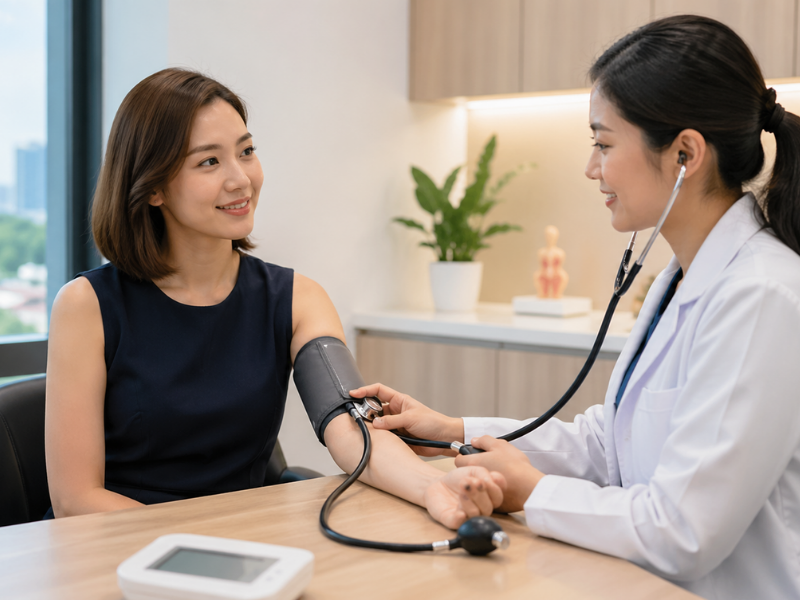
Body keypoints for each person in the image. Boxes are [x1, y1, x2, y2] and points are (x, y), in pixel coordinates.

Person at [351, 15, 800, 599]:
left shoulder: (763, 296)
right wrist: (451, 431)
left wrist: (532, 492)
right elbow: (611, 442)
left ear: (685, 153)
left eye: (604, 144)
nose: (592, 168)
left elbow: (684, 531)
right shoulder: (683, 279)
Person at [44, 68, 504, 528]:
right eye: (209, 162)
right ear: (155, 187)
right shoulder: (87, 305)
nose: (241, 179)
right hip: (118, 547)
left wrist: (432, 487)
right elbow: (76, 498)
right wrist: (201, 545)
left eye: (246, 152)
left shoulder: (296, 299)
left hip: (239, 550)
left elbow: (351, 428)